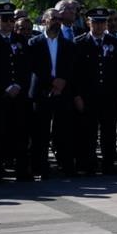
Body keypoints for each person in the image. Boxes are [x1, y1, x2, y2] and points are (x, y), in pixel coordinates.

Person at [0, 2, 33, 182]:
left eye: (11, 19)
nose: (8, 23)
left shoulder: (20, 40)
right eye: (4, 19)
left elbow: (26, 67)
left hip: (18, 94)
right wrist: (6, 86)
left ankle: (21, 169)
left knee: (20, 131)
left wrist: (18, 85)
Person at [27, 9, 80, 178]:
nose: (57, 21)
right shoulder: (33, 43)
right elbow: (33, 66)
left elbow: (71, 66)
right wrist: (51, 81)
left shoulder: (69, 44)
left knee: (64, 131)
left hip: (62, 92)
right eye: (53, 18)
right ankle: (40, 167)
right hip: (42, 92)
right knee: (40, 132)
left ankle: (66, 166)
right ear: (44, 21)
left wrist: (62, 80)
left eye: (59, 19)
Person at [73, 8, 117, 175]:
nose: (99, 25)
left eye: (102, 22)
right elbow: (75, 73)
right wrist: (77, 96)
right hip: (88, 96)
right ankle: (88, 164)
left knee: (109, 132)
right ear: (89, 22)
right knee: (88, 132)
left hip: (109, 95)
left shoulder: (115, 43)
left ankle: (108, 164)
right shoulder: (79, 42)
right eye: (95, 22)